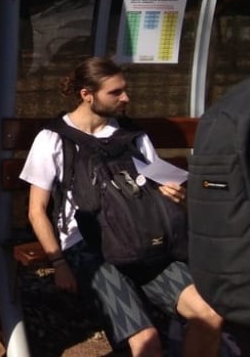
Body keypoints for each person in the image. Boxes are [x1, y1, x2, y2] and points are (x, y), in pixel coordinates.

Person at [20, 56, 223, 357]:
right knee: (147, 343)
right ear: (86, 94)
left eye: (124, 90)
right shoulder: (53, 139)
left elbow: (154, 184)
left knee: (209, 316)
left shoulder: (131, 135)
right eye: (115, 92)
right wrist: (59, 264)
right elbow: (36, 210)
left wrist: (173, 195)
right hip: (89, 247)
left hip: (141, 237)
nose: (125, 98)